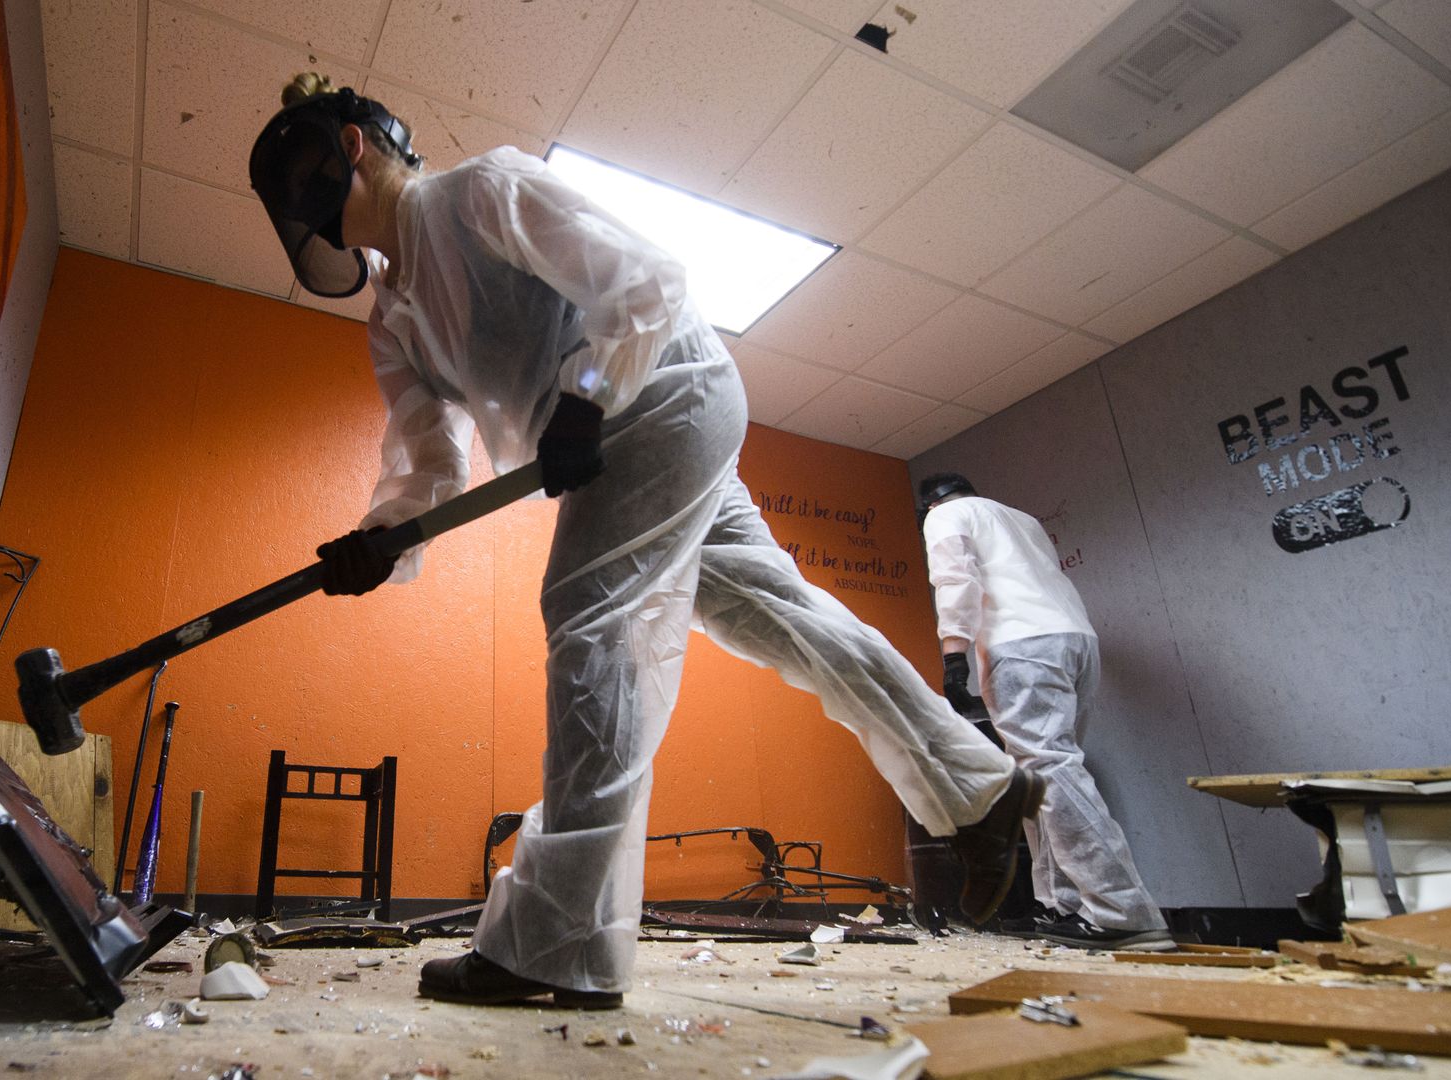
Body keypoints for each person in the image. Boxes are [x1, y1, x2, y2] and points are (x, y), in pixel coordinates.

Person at [249, 74, 1043, 1009]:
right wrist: (378, 538)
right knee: (776, 618)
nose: (308, 209)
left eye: (307, 170)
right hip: (623, 431)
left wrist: (585, 396)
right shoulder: (395, 320)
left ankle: (557, 940)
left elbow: (645, 277)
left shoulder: (481, 192)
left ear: (354, 145)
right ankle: (979, 786)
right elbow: (427, 460)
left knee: (586, 618)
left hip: (661, 395)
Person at [917, 473, 1173, 952]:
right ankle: (1064, 906)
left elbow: (956, 578)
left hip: (1023, 647)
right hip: (1076, 642)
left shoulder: (945, 515)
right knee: (1041, 777)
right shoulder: (1023, 521)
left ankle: (1123, 912)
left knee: (1048, 771)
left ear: (930, 504)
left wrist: (954, 657)